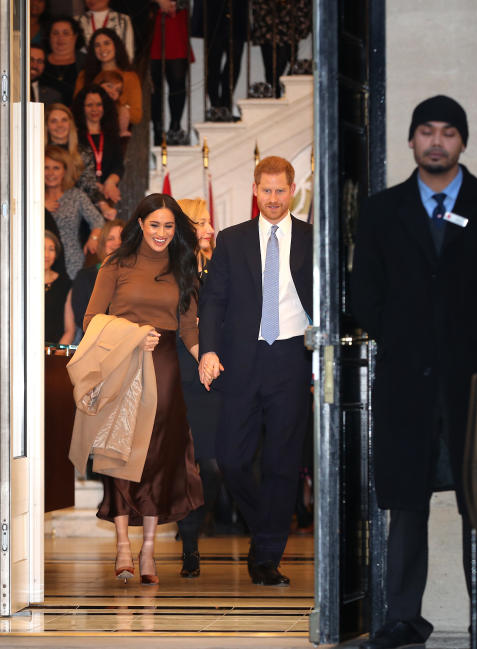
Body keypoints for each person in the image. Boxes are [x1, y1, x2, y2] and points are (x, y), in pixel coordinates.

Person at [349, 95, 477, 649]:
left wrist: (476, 344)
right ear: (411, 140)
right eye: (426, 131)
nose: (436, 141)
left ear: (463, 141)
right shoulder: (382, 211)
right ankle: (402, 619)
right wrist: (408, 341)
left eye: (448, 132)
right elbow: (365, 296)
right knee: (406, 506)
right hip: (405, 384)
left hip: (476, 383)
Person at [197, 156, 314, 587]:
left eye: (280, 190)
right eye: (265, 190)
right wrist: (207, 349)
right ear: (254, 190)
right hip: (240, 360)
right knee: (231, 458)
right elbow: (213, 301)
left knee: (284, 464)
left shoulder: (311, 238)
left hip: (291, 359)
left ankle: (266, 555)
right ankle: (266, 521)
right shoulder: (232, 240)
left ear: (292, 189)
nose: (272, 198)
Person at [83, 193, 204, 585]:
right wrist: (133, 336)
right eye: (155, 225)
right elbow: (90, 320)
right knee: (117, 452)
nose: (162, 234)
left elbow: (188, 329)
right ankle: (122, 545)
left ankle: (148, 549)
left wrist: (206, 355)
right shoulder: (116, 265)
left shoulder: (184, 266)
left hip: (165, 365)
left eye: (169, 226)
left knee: (159, 456)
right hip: (121, 363)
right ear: (139, 224)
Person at [173, 198, 220, 578]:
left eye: (208, 222)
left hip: (217, 376)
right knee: (185, 463)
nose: (209, 229)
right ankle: (189, 545)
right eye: (201, 222)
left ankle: (199, 528)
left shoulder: (219, 265)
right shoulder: (173, 271)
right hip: (180, 375)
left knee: (212, 464)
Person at [44, 144, 106, 278]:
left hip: (72, 265)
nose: (50, 173)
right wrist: (40, 208)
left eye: (56, 168)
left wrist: (94, 238)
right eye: (46, 168)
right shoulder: (33, 199)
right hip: (42, 262)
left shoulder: (76, 196)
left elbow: (98, 221)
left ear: (65, 171)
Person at [45, 103, 114, 220]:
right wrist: (39, 203)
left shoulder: (83, 153)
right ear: (46, 125)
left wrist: (104, 206)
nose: (60, 125)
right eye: (54, 121)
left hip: (77, 212)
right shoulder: (37, 153)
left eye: (64, 120)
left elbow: (89, 186)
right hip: (48, 208)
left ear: (70, 124)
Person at [64, 217, 125, 342]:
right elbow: (81, 318)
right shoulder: (84, 276)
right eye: (111, 239)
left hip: (128, 343)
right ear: (102, 244)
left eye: (122, 238)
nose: (117, 243)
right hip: (94, 345)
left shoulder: (135, 276)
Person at [74, 29, 143, 129]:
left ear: (116, 46)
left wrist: (115, 106)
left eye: (106, 43)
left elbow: (137, 116)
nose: (102, 49)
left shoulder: (130, 77)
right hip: (87, 133)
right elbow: (76, 108)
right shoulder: (84, 76)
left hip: (115, 135)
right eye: (97, 45)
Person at [191, 0, 246, 121]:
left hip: (237, 12)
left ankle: (225, 104)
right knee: (213, 62)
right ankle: (215, 106)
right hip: (213, 12)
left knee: (235, 60)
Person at [72, 85, 124, 211]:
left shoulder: (112, 135)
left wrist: (110, 183)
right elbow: (74, 168)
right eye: (89, 105)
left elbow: (119, 165)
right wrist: (94, 186)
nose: (94, 109)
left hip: (107, 194)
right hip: (81, 195)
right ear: (82, 108)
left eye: (98, 104)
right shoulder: (74, 136)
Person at [150, 0, 192, 145]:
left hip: (176, 23)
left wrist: (172, 4)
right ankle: (157, 128)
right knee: (153, 87)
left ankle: (175, 126)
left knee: (178, 82)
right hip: (151, 24)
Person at [250, 0, 311, 98]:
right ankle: (276, 98)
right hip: (269, 30)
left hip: (288, 28)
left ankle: (283, 96)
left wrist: (301, 26)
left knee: (289, 67)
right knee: (271, 71)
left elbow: (303, 8)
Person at [40, 16, 87, 106]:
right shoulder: (39, 62)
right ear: (49, 37)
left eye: (66, 33)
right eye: (55, 33)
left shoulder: (87, 62)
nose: (60, 38)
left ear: (75, 36)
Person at [44, 230, 75, 343]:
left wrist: (55, 355)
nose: (46, 254)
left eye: (51, 249)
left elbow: (70, 330)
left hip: (54, 352)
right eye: (42, 248)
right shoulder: (22, 283)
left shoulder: (65, 284)